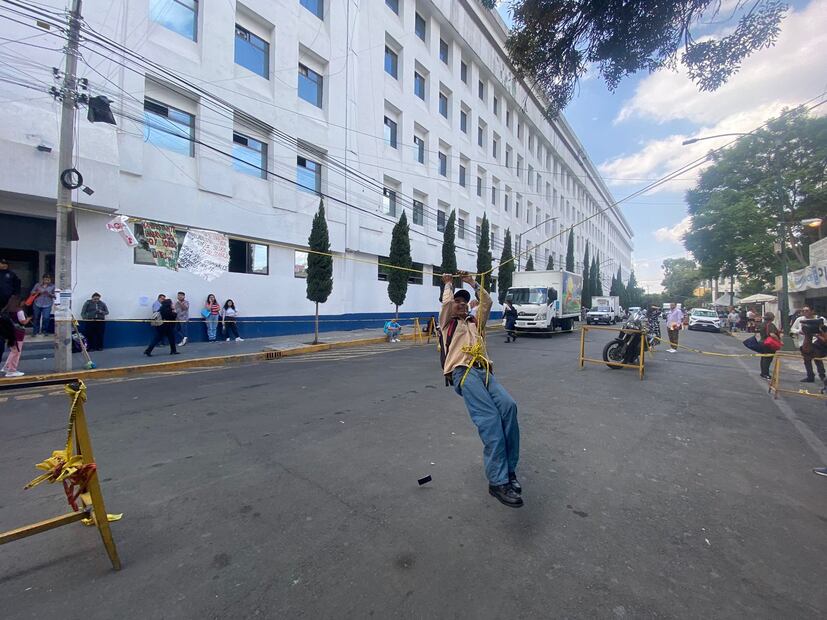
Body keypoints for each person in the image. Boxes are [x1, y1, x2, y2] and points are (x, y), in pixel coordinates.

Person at [439, 273, 522, 508]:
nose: (462, 304)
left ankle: (509, 472)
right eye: (458, 301)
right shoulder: (448, 323)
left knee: (509, 407)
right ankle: (497, 481)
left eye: (465, 301)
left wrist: (472, 283)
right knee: (490, 420)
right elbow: (446, 303)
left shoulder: (475, 323)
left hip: (484, 371)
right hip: (463, 371)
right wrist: (448, 284)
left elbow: (486, 302)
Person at [790, 306, 826, 383]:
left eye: (806, 310)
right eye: (803, 311)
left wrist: (818, 333)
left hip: (817, 342)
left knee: (817, 359)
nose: (804, 312)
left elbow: (824, 329)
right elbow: (792, 329)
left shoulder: (820, 319)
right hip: (804, 342)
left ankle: (822, 375)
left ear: (812, 311)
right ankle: (810, 376)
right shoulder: (800, 319)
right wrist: (799, 331)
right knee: (807, 360)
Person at [1, 294, 30, 377]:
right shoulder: (19, 311)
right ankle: (11, 370)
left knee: (13, 351)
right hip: (18, 333)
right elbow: (23, 322)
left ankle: (6, 367)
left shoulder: (6, 310)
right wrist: (28, 319)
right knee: (17, 352)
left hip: (8, 332)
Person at [757, 311, 780, 380]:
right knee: (768, 359)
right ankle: (766, 374)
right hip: (769, 343)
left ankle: (763, 372)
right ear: (772, 318)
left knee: (763, 358)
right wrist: (779, 341)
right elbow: (772, 334)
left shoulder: (762, 324)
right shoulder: (771, 325)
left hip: (762, 342)